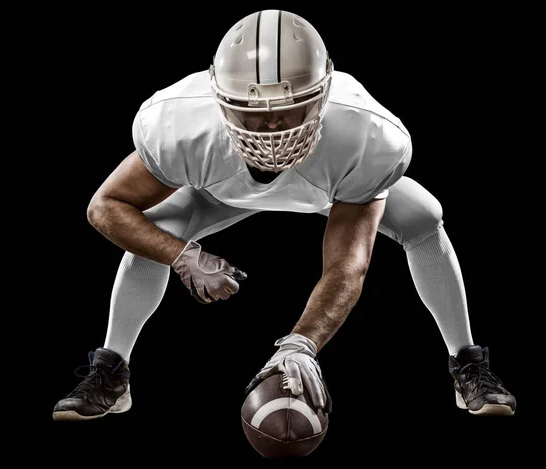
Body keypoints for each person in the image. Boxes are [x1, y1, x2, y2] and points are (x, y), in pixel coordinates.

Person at [52, 9, 516, 421]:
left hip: (329, 189)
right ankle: (111, 373)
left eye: (294, 109)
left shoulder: (367, 136)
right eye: (253, 113)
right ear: (219, 101)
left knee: (423, 218)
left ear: (325, 92)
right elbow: (105, 207)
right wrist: (182, 255)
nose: (275, 127)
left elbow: (346, 266)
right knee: (153, 233)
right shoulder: (180, 125)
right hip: (217, 189)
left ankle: (467, 361)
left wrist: (302, 344)